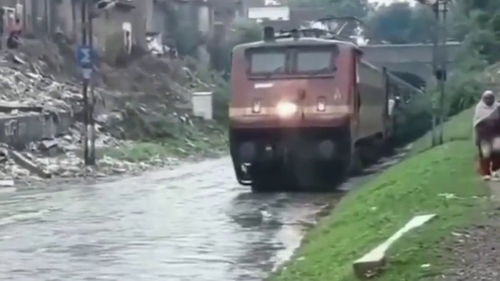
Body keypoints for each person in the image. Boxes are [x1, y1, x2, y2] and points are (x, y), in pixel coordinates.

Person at [474, 90, 500, 180]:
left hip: (496, 133)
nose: (489, 100)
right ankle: (486, 173)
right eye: (487, 98)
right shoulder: (479, 108)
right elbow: (477, 123)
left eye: (491, 98)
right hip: (484, 135)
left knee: (497, 152)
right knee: (485, 154)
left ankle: (496, 171)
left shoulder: (497, 107)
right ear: (483, 99)